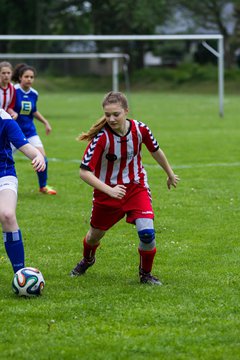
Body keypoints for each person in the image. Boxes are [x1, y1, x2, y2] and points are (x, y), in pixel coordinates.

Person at [70, 91, 180, 285]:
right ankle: (87, 260)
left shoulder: (141, 129)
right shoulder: (101, 139)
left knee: (147, 233)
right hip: (107, 192)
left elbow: (155, 150)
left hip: (136, 187)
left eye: (116, 114)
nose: (111, 119)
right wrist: (109, 190)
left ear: (126, 111)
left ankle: (145, 275)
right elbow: (84, 172)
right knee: (95, 235)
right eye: (107, 115)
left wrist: (170, 173)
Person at [0, 108, 46, 273]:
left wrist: (38, 156)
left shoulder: (4, 119)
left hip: (3, 175)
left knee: (7, 214)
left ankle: (19, 273)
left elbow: (25, 146)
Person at [11, 63, 57, 195]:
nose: (29, 79)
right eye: (26, 76)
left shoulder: (34, 93)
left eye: (31, 77)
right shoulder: (13, 91)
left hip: (30, 131)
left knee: (42, 158)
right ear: (20, 77)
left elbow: (33, 111)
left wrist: (45, 122)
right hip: (13, 132)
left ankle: (43, 186)